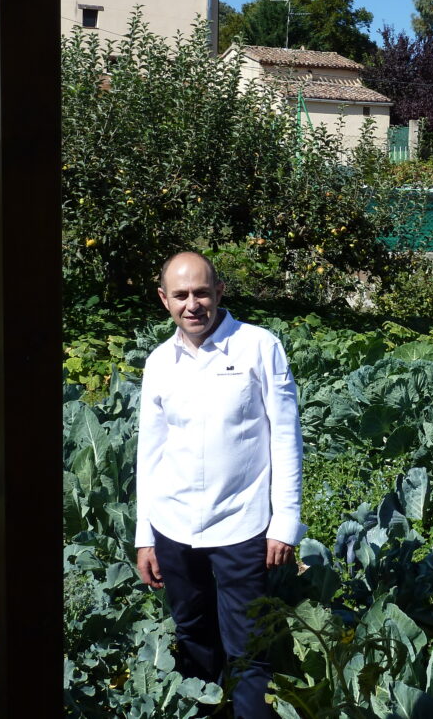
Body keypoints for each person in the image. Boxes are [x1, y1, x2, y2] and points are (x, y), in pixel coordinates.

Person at [135, 250, 304, 719]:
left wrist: (285, 522)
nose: (193, 304)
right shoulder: (158, 363)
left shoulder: (259, 346)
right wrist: (144, 536)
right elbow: (149, 453)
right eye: (181, 295)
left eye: (202, 292)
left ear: (219, 292)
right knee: (191, 635)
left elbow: (286, 437)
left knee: (249, 648)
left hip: (243, 527)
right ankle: (204, 711)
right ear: (164, 299)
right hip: (173, 527)